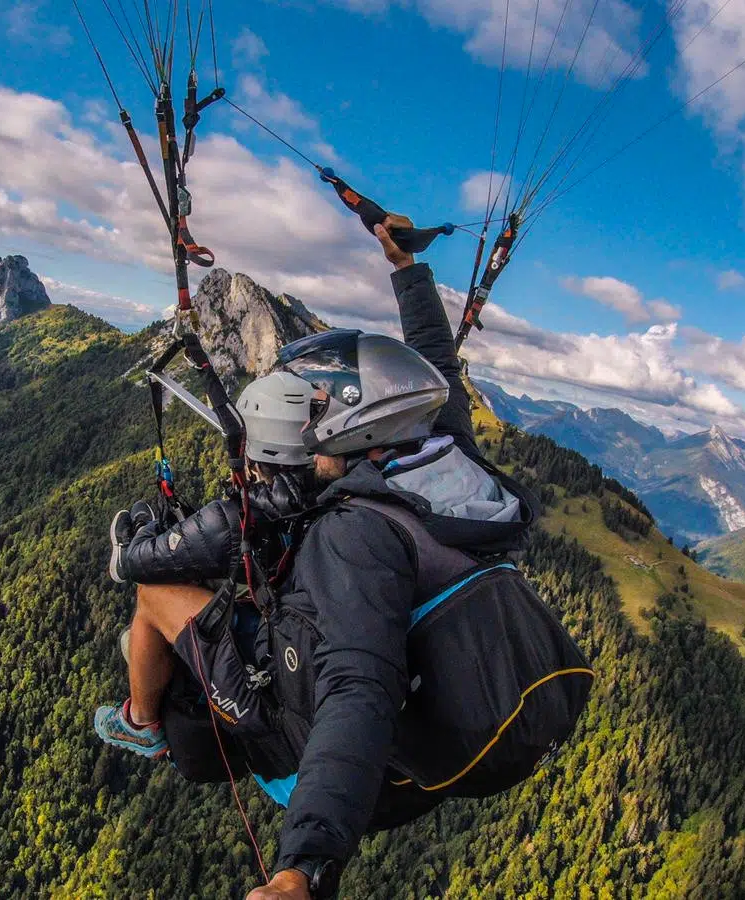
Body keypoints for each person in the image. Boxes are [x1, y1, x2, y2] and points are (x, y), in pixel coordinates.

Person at [101, 215, 536, 899]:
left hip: (310, 755)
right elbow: (438, 367)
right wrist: (406, 269)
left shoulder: (355, 537)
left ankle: (139, 723)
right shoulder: (444, 462)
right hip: (414, 732)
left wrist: (300, 870)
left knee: (155, 598)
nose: (299, 438)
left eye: (312, 417)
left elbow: (357, 693)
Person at [94, 370, 316, 757]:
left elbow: (132, 565)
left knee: (152, 595)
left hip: (272, 680)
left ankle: (140, 723)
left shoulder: (241, 516)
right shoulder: (328, 482)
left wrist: (145, 525)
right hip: (301, 645)